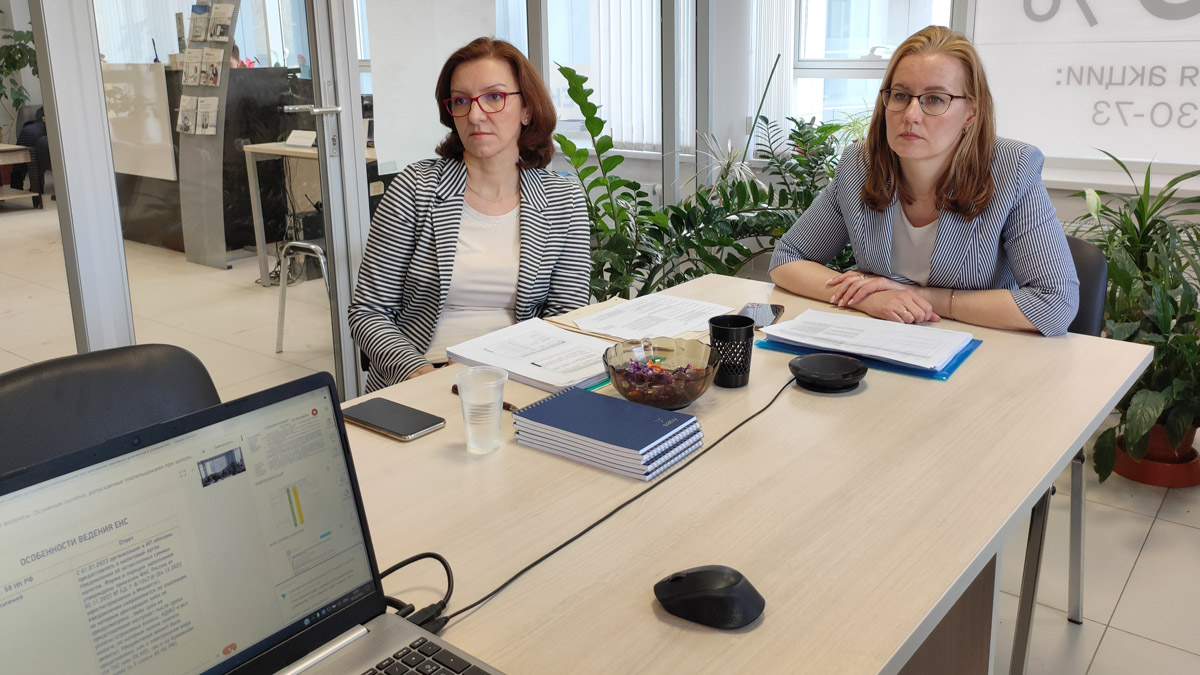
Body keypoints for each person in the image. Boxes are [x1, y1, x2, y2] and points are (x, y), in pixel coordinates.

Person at [769, 26, 1078, 336]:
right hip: (880, 340)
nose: (911, 115)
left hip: (980, 347)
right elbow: (787, 258)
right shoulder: (859, 166)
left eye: (935, 99)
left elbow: (1054, 303)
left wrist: (919, 297)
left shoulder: (1012, 169)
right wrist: (868, 297)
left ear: (971, 113)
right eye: (900, 95)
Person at [349, 37, 591, 391]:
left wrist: (510, 372)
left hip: (519, 377)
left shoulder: (562, 199)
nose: (475, 115)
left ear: (527, 110)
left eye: (494, 97)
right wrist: (421, 375)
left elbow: (565, 315)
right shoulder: (416, 188)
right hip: (420, 376)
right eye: (461, 101)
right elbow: (368, 312)